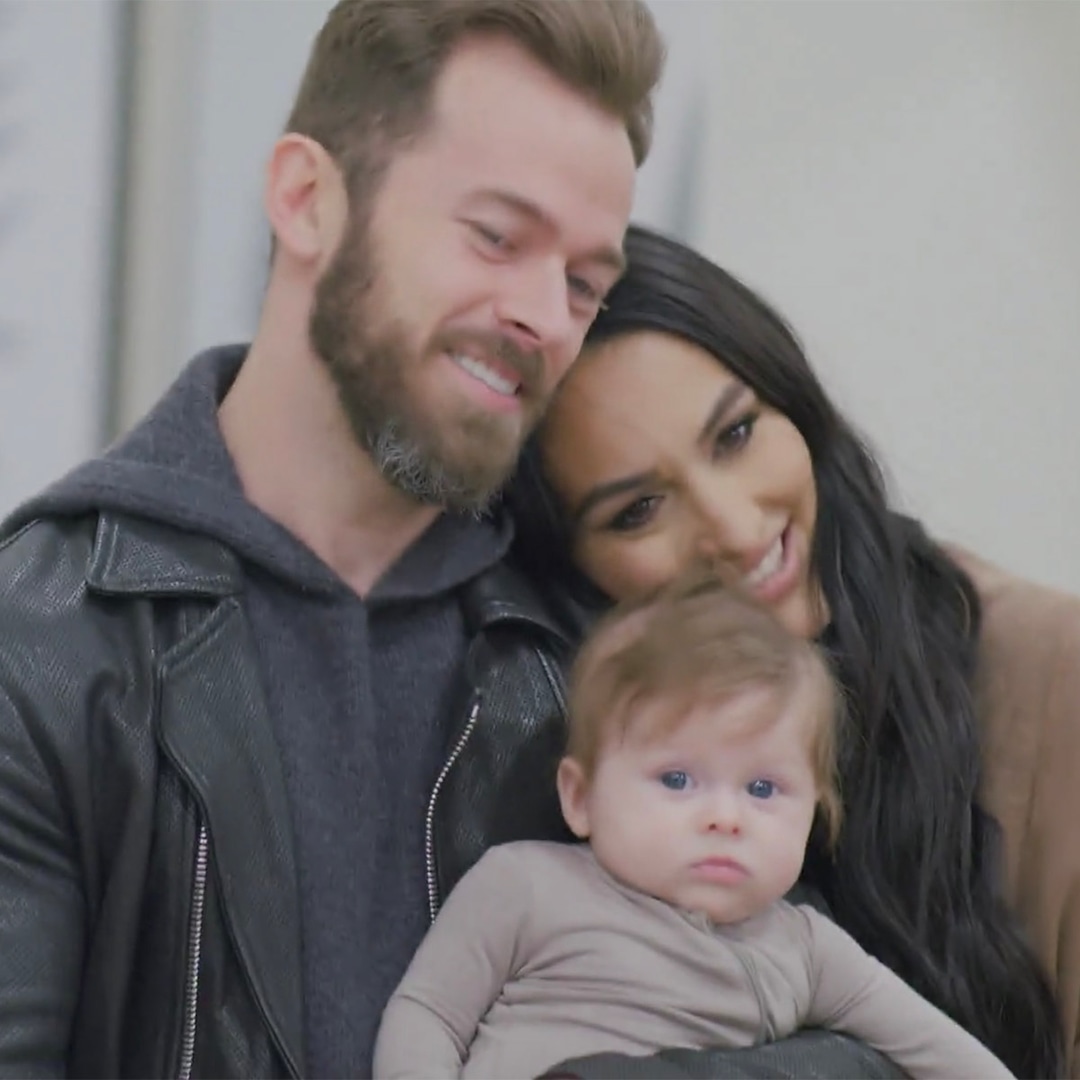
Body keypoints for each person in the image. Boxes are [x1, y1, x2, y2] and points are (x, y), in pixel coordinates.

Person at [0, 3, 664, 1075]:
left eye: (584, 284)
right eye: (497, 237)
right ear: (308, 199)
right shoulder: (39, 643)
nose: (546, 317)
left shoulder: (593, 660)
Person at [507, 224, 1078, 1079]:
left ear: (795, 406)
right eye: (639, 511)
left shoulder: (1048, 676)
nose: (739, 530)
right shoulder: (571, 771)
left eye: (736, 435)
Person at [373, 575, 1013, 1080]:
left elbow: (939, 1049)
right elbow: (429, 1013)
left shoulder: (806, 949)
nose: (724, 818)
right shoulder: (525, 885)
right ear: (581, 797)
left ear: (815, 814)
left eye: (762, 789)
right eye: (677, 779)